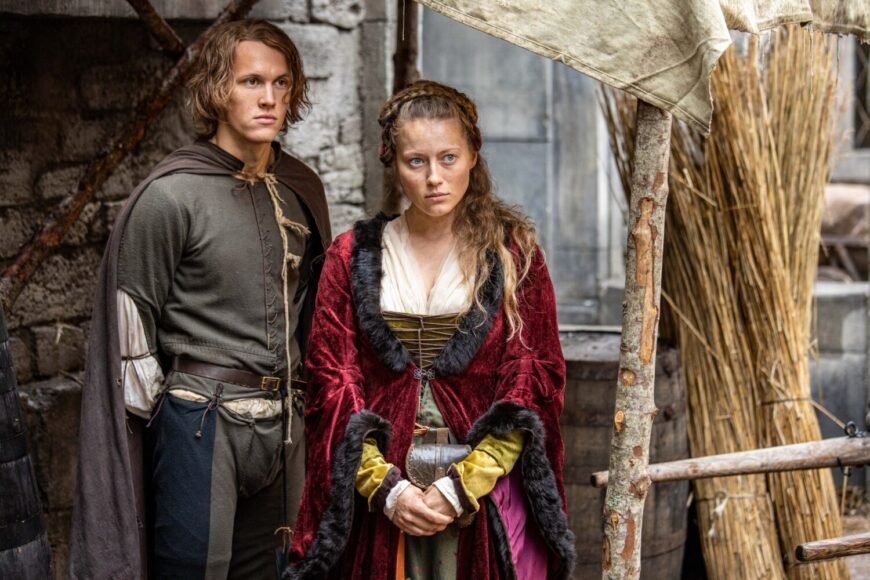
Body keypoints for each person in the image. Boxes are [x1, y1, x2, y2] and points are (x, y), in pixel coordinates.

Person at [69, 20, 331, 579]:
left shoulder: (301, 188)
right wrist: (162, 430)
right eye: (251, 82)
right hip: (200, 424)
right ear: (217, 89)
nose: (269, 98)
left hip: (286, 426)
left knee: (278, 572)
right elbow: (130, 330)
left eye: (281, 83)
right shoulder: (171, 196)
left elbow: (313, 312)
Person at [287, 80, 575, 580]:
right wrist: (388, 489)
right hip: (381, 494)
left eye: (448, 158)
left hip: (481, 492)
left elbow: (531, 382)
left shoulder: (514, 256)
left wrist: (461, 486)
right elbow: (332, 383)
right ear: (393, 163)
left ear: (473, 157)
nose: (434, 178)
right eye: (416, 161)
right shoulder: (350, 255)